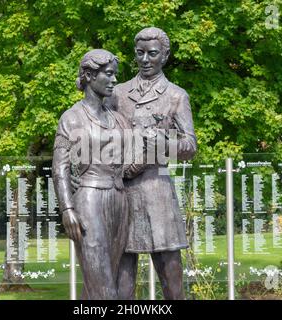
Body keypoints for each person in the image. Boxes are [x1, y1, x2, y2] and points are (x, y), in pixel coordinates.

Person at [111, 27, 197, 299]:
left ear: (165, 56)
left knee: (171, 276)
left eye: (152, 53)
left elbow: (190, 146)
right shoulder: (118, 93)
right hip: (123, 192)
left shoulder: (176, 96)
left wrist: (159, 147)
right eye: (140, 53)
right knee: (122, 277)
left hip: (157, 192)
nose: (145, 59)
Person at [52, 49, 136, 299]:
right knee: (102, 287)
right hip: (89, 201)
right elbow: (60, 168)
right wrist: (67, 209)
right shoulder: (72, 118)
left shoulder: (119, 119)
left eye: (115, 75)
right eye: (108, 75)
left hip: (120, 201)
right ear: (89, 75)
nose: (114, 81)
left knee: (117, 284)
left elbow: (131, 162)